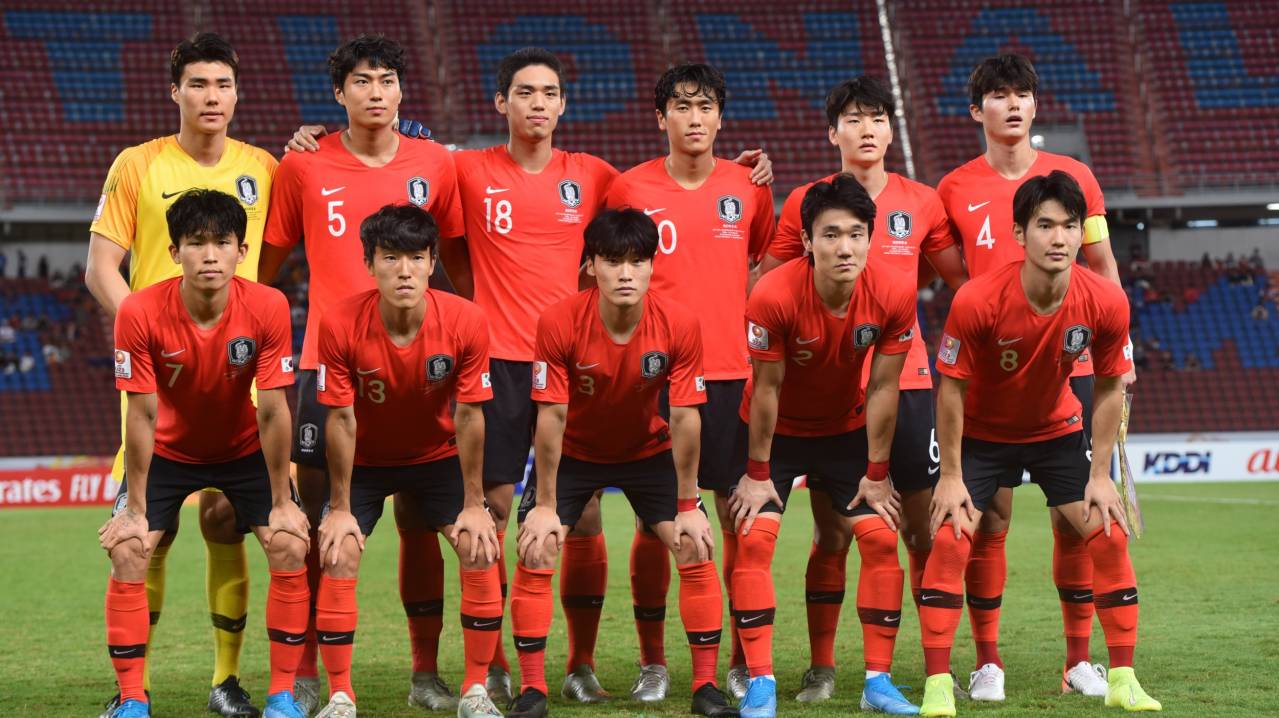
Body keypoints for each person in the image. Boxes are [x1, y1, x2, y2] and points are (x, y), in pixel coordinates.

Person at [260, 34, 464, 713]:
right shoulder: (304, 163)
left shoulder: (435, 162)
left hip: (419, 370)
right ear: (339, 93)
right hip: (325, 367)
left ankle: (425, 674)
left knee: (418, 521)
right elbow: (265, 267)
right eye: (361, 81)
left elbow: (457, 259)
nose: (375, 92)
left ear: (402, 89)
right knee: (320, 524)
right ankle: (308, 672)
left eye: (386, 80)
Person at [84, 33, 279, 718]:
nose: (211, 96)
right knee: (147, 534)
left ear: (238, 94)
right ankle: (133, 690)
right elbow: (100, 268)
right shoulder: (137, 165)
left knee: (228, 522)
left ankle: (227, 680)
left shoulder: (265, 168)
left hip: (242, 381)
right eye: (198, 84)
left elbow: (271, 263)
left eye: (223, 84)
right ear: (175, 92)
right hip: (158, 383)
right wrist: (154, 336)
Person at [917, 171, 1159, 716]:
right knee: (953, 538)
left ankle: (1122, 679)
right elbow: (950, 390)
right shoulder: (978, 299)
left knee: (1109, 533)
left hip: (1056, 432)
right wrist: (951, 476)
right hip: (982, 437)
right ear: (1019, 234)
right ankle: (941, 684)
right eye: (1044, 225)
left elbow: (1109, 386)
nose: (1059, 238)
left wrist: (1101, 475)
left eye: (1069, 226)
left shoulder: (1105, 299)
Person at [759, 76, 967, 707]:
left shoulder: (923, 201)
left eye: (877, 118)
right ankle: (822, 668)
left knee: (920, 534)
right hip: (832, 394)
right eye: (853, 119)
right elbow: (769, 283)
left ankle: (934, 667)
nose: (867, 129)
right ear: (834, 133)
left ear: (891, 130)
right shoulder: (805, 202)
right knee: (835, 534)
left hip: (909, 384)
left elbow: (965, 285)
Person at [934, 54, 1131, 700]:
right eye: (998, 95)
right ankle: (986, 662)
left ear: (1035, 106)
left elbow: (1101, 264)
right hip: (990, 377)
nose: (1013, 104)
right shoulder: (952, 189)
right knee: (987, 521)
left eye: (1022, 94)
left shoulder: (1076, 178)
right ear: (977, 110)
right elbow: (952, 279)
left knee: (1076, 519)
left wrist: (1120, 351)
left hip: (1071, 368)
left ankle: (1078, 662)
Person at [508, 208, 734, 718]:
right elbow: (551, 415)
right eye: (612, 261)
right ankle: (533, 690)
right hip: (575, 454)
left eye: (637, 261)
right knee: (538, 544)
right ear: (591, 266)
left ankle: (705, 686)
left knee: (695, 542)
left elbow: (686, 417)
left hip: (647, 453)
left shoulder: (679, 322)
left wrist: (689, 502)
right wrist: (545, 504)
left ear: (653, 265)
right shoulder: (558, 321)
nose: (626, 273)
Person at [99, 190, 310, 718]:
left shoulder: (268, 305)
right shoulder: (139, 311)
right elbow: (141, 414)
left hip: (242, 449)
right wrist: (135, 509)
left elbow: (274, 409)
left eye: (222, 242)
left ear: (242, 251)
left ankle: (282, 697)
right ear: (175, 252)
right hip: (168, 452)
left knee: (289, 543)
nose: (210, 255)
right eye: (196, 243)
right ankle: (132, 700)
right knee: (129, 549)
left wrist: (282, 501)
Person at [605, 63, 775, 701]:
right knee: (656, 523)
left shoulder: (747, 185)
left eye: (705, 107)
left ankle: (740, 659)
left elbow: (758, 261)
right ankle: (653, 662)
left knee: (737, 522)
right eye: (682, 106)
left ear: (721, 118)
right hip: (653, 378)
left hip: (731, 374)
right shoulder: (627, 188)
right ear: (661, 118)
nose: (695, 118)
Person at [730, 175, 917, 718]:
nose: (845, 247)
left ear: (871, 238)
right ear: (808, 241)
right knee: (754, 541)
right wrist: (757, 473)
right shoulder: (773, 294)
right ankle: (760, 682)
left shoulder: (893, 292)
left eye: (856, 234)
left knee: (880, 540)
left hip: (843, 431)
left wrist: (877, 473)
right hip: (777, 434)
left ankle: (877, 681)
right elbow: (766, 389)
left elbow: (883, 388)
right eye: (831, 234)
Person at [312, 204, 504, 718]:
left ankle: (475, 691)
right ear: (368, 263)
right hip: (366, 462)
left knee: (479, 545)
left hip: (435, 456)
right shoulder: (340, 323)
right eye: (390, 257)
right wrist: (339, 508)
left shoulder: (465, 320)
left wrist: (474, 503)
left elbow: (470, 415)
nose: (404, 271)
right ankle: (340, 696)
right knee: (339, 551)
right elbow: (341, 421)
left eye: (416, 258)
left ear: (433, 262)